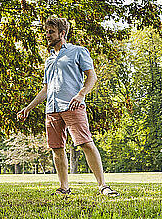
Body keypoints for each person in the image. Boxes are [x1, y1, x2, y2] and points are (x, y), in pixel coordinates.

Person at [17, 16, 118, 197]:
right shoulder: (49, 60)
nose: (47, 35)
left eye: (51, 32)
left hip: (72, 106)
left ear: (62, 33)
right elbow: (46, 89)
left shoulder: (78, 51)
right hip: (52, 109)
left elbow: (91, 76)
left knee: (86, 144)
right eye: (46, 31)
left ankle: (103, 186)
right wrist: (28, 108)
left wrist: (81, 95)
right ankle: (64, 188)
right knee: (57, 149)